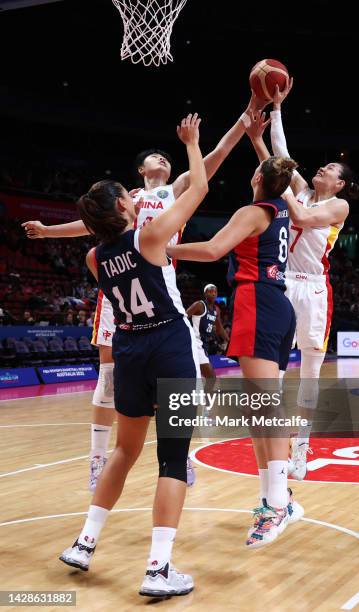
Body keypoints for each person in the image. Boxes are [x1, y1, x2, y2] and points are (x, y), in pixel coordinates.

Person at [22, 93, 267, 491]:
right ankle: (97, 460)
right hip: (122, 287)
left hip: (160, 285)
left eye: (166, 157)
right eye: (155, 157)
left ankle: (180, 454)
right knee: (108, 379)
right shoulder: (125, 200)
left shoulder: (177, 187)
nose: (163, 159)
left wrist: (246, 116)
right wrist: (49, 231)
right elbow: (89, 226)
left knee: (179, 379)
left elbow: (220, 151)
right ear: (140, 170)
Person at [60, 113, 207, 597]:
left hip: (128, 349)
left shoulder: (92, 257)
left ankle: (85, 542)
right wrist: (192, 144)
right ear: (125, 204)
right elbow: (200, 188)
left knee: (124, 450)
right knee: (171, 458)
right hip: (168, 344)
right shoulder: (149, 238)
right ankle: (159, 569)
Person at [167, 154, 304, 548]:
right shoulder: (281, 207)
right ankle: (273, 499)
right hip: (275, 304)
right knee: (259, 409)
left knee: (264, 406)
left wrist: (163, 249)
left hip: (259, 301)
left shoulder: (254, 209)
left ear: (257, 175)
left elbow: (212, 250)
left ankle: (279, 504)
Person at [245, 82, 359, 479]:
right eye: (323, 167)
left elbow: (301, 217)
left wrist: (280, 183)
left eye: (330, 170)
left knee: (308, 375)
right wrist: (274, 113)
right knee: (274, 372)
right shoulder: (302, 189)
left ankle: (302, 449)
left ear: (340, 183)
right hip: (282, 283)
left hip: (313, 289)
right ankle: (278, 447)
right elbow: (282, 157)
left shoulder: (337, 205)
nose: (322, 169)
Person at [186, 283, 229, 379]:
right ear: (205, 294)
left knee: (202, 377)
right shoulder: (199, 305)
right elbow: (183, 318)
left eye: (215, 291)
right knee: (211, 378)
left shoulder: (216, 310)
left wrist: (229, 340)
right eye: (210, 291)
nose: (213, 293)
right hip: (195, 343)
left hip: (204, 344)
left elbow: (219, 328)